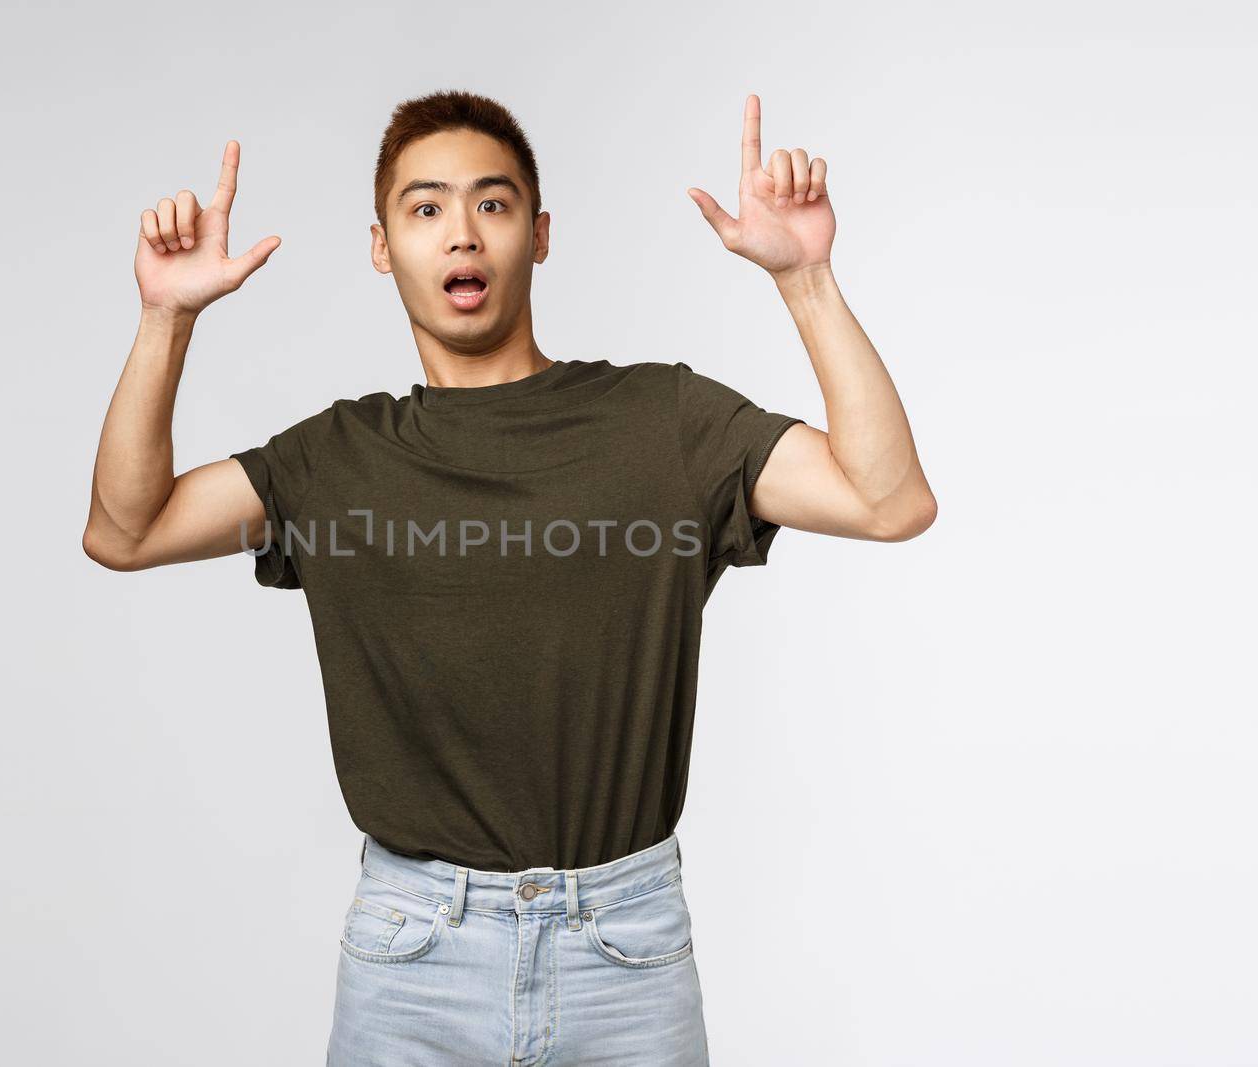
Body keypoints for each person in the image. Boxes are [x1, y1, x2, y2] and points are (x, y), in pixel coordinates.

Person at [82, 89, 936, 1065]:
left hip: (625, 952)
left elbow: (888, 499)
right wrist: (164, 318)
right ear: (380, 245)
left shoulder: (664, 423)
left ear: (537, 234)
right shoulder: (337, 459)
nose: (461, 234)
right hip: (412, 959)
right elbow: (127, 528)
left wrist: (808, 282)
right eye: (426, 207)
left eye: (491, 204)